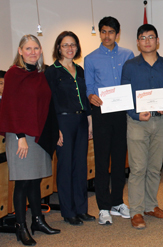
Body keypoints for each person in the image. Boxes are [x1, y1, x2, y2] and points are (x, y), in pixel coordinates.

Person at [0, 34, 60, 245]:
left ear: (41, 50)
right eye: (28, 49)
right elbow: (10, 108)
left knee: (35, 180)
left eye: (36, 48)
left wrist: (55, 130)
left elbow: (47, 105)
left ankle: (37, 220)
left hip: (37, 134)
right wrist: (20, 137)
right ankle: (20, 226)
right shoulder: (13, 74)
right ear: (20, 51)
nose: (33, 52)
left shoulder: (40, 74)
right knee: (23, 183)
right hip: (20, 136)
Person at [121, 24, 163, 229]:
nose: (147, 41)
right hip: (137, 123)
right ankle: (136, 211)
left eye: (151, 37)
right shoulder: (130, 66)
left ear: (157, 40)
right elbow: (124, 96)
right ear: (137, 42)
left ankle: (151, 206)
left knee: (154, 167)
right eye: (143, 38)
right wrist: (135, 113)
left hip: (160, 122)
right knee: (137, 168)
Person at [84, 16, 134, 225]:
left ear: (117, 34)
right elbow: (89, 87)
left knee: (120, 159)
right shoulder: (90, 58)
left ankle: (117, 202)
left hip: (122, 113)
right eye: (103, 31)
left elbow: (132, 81)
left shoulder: (128, 54)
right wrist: (91, 96)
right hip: (102, 113)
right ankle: (103, 207)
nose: (107, 36)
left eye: (111, 32)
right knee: (103, 160)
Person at [45, 31, 95, 225]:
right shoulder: (52, 71)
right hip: (62, 123)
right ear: (58, 48)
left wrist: (90, 121)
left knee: (81, 166)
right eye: (65, 45)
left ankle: (82, 209)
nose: (69, 48)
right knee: (65, 166)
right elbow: (49, 102)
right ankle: (68, 211)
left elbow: (86, 97)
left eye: (73, 44)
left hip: (82, 121)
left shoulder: (80, 70)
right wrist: (55, 128)